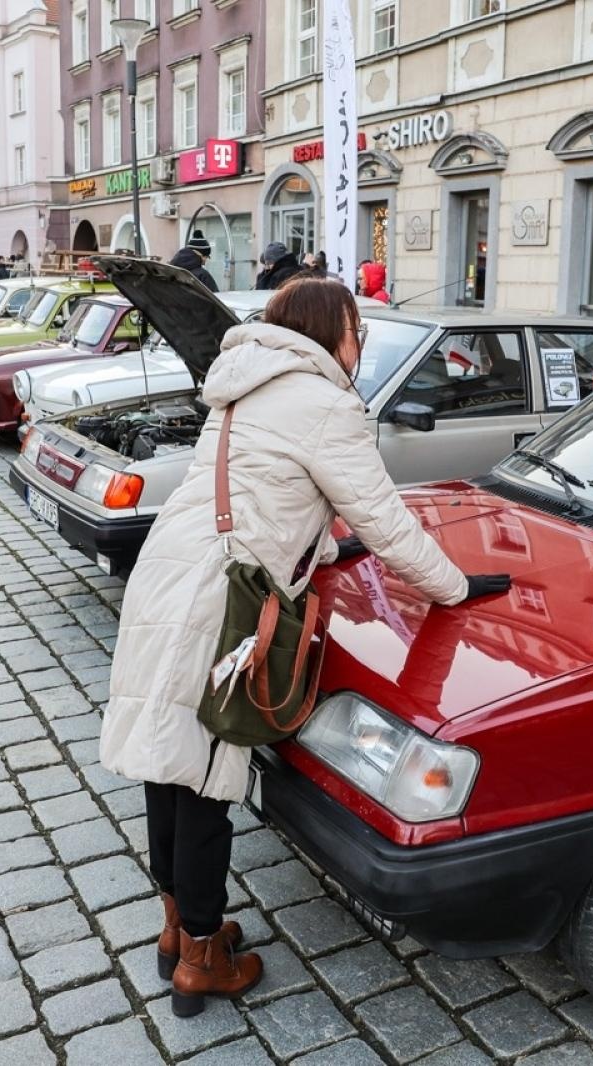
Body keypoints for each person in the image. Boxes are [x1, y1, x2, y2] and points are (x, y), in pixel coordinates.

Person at [99, 276, 510, 1018]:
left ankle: (176, 928)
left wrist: (317, 548)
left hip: (168, 576)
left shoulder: (242, 385)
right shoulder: (324, 402)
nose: (360, 345)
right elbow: (384, 520)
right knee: (206, 775)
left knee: (167, 763)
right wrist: (453, 587)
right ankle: (200, 957)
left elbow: (260, 491)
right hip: (219, 603)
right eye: (357, 330)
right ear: (332, 332)